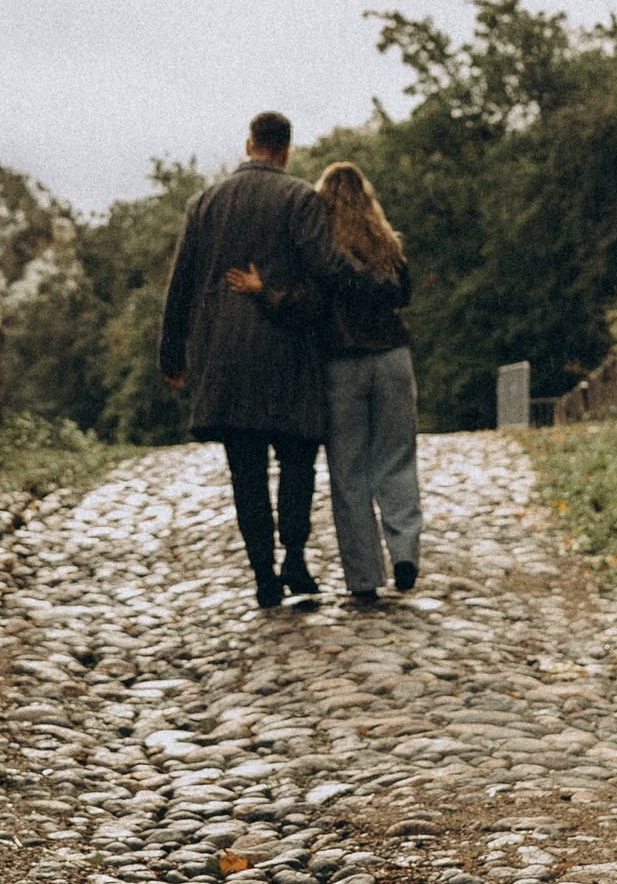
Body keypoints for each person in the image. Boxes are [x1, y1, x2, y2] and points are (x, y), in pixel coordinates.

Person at [157, 111, 377, 608]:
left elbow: (182, 284)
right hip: (289, 350)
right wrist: (373, 283)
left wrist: (172, 353)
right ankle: (295, 557)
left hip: (226, 356)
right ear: (286, 149)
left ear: (249, 142)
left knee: (246, 471)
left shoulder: (203, 204)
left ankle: (263, 574)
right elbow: (326, 266)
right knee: (298, 458)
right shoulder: (299, 198)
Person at [231, 161, 420, 611]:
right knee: (397, 459)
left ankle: (363, 577)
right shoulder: (386, 243)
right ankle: (405, 553)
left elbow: (305, 305)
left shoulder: (321, 251)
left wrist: (265, 291)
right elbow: (403, 292)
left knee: (349, 472)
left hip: (341, 365)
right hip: (393, 358)